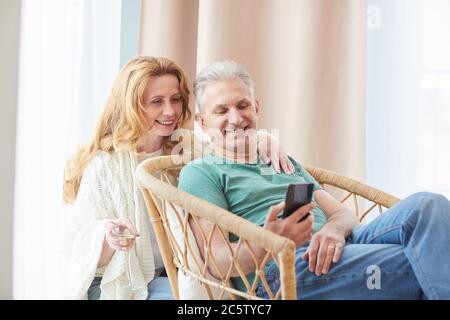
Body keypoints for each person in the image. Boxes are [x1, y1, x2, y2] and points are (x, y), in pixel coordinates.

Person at [178, 60, 450, 299]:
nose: (235, 118)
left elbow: (343, 214)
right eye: (221, 111)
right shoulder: (201, 172)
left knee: (429, 204)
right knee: (420, 258)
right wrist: (270, 240)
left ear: (257, 107)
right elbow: (216, 261)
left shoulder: (280, 160)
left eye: (242, 105)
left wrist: (333, 229)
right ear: (202, 122)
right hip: (283, 270)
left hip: (341, 246)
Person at [60, 56, 293, 300]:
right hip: (116, 282)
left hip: (175, 274)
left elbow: (230, 140)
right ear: (132, 105)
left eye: (176, 99)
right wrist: (107, 237)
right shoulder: (105, 166)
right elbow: (75, 247)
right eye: (156, 102)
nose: (170, 111)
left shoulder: (187, 148)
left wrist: (266, 139)